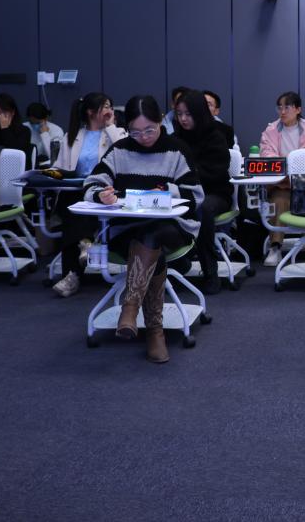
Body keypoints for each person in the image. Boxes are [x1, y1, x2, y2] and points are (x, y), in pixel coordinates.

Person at [84, 95, 202, 364]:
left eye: (150, 130)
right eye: (135, 132)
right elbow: (92, 183)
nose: (144, 138)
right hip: (125, 230)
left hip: (173, 228)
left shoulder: (177, 150)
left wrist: (166, 191)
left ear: (161, 121)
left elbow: (195, 196)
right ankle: (154, 332)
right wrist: (101, 195)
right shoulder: (120, 150)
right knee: (149, 241)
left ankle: (130, 307)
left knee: (153, 232)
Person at [48, 93, 127, 297]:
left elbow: (125, 153)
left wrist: (110, 126)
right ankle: (84, 244)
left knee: (76, 213)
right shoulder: (72, 136)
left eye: (110, 106)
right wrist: (48, 174)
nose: (110, 110)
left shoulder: (115, 133)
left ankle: (72, 276)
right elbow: (59, 167)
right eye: (105, 106)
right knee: (71, 207)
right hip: (73, 190)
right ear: (91, 112)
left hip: (102, 191)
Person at [175, 90, 231, 295]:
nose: (183, 119)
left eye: (188, 114)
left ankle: (210, 271)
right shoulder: (175, 138)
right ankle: (176, 262)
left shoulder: (216, 136)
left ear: (199, 112)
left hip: (215, 194)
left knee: (203, 208)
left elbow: (216, 173)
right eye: (179, 114)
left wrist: (188, 174)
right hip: (182, 194)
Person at [258, 91, 305, 266]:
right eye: (279, 107)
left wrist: (291, 169)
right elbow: (267, 155)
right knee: (279, 200)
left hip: (304, 185)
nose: (282, 111)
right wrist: (287, 171)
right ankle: (275, 247)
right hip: (280, 184)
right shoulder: (270, 131)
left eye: (287, 107)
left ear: (298, 109)